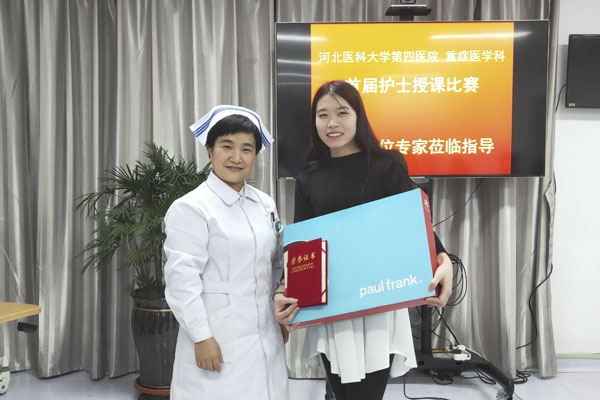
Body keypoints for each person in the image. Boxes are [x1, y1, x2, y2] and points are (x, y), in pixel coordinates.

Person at [273, 80, 453, 400]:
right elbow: (302, 247)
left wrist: (443, 258)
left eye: (342, 112)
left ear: (359, 117)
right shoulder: (308, 177)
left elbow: (414, 223)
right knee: (341, 391)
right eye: (323, 115)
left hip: (376, 303)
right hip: (334, 303)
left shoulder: (387, 165)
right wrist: (286, 289)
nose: (332, 123)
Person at [164, 105, 289, 400]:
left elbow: (275, 264)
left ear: (255, 155)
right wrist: (201, 336)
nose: (237, 157)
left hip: (264, 332)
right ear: (210, 151)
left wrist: (279, 316)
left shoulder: (264, 204)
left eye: (247, 149)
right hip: (218, 336)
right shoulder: (192, 207)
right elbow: (182, 279)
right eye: (227, 146)